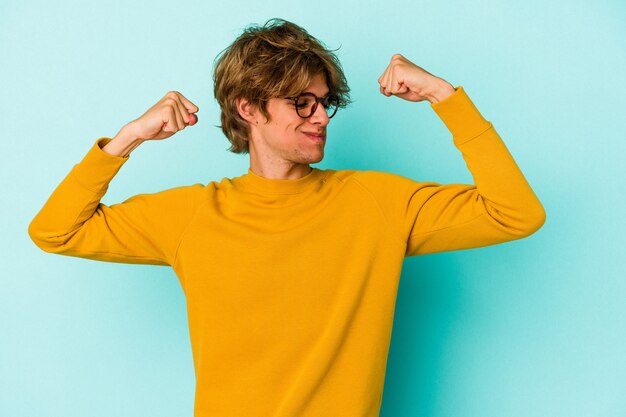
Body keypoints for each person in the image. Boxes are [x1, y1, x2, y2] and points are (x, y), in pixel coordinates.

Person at [28, 17, 545, 417]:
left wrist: (443, 96)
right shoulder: (192, 214)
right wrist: (129, 137)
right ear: (248, 107)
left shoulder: (377, 203)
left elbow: (515, 214)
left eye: (324, 103)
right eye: (302, 103)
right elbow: (54, 230)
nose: (320, 117)